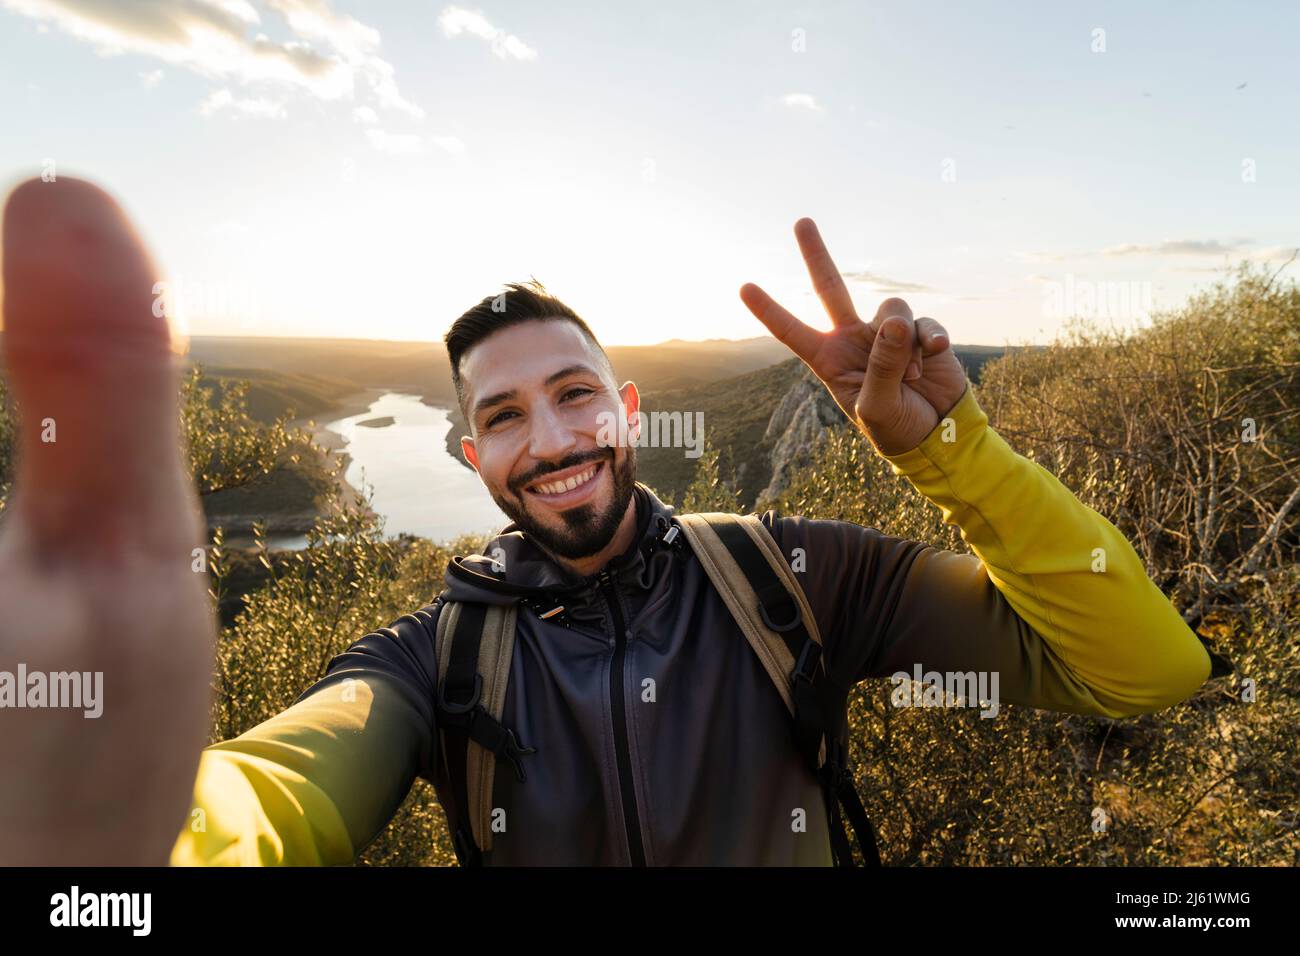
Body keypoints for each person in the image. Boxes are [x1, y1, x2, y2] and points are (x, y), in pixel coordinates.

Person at [0, 177, 1212, 866]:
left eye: (576, 394)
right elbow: (283, 791)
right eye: (507, 417)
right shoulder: (433, 660)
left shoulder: (790, 574)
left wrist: (957, 453)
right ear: (471, 454)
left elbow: (1144, 669)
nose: (554, 440)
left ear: (626, 411)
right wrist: (121, 844)